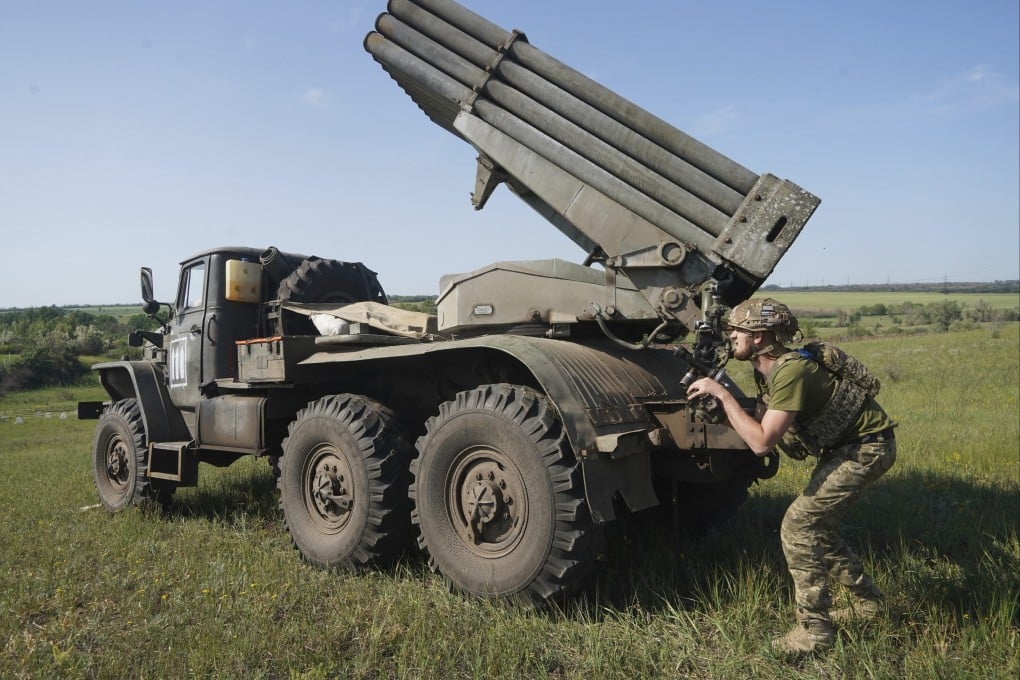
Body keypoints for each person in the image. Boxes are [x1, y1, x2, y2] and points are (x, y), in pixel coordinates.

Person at [685, 298, 896, 656]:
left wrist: (721, 392)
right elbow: (765, 429)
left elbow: (762, 443)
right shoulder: (769, 372)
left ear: (760, 336)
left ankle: (815, 631)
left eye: (738, 330)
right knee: (818, 529)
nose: (731, 336)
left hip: (866, 449)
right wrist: (722, 412)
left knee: (798, 527)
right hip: (850, 448)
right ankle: (870, 603)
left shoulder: (790, 372)